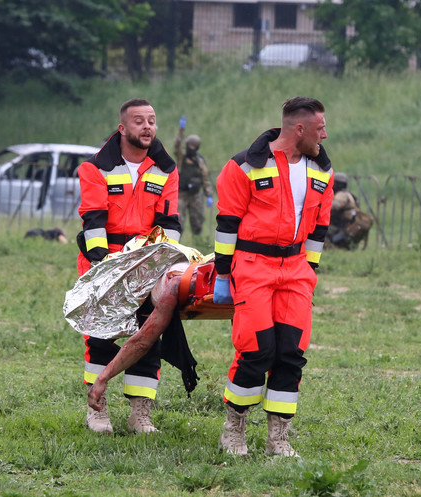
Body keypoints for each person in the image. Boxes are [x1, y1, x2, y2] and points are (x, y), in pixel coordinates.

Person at [212, 96, 334, 457]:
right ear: (300, 129)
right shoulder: (243, 166)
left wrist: (307, 273)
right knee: (256, 350)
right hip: (252, 267)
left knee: (291, 353)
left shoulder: (321, 171)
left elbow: (319, 229)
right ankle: (234, 430)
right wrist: (222, 274)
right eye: (320, 128)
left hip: (296, 271)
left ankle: (278, 438)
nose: (324, 135)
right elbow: (227, 225)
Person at [76, 98, 182, 434]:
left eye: (152, 120)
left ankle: (140, 414)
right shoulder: (95, 167)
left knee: (149, 336)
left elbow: (170, 223)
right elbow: (92, 220)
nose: (148, 126)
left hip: (147, 264)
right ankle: (98, 410)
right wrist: (103, 267)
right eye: (139, 121)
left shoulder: (166, 169)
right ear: (123, 128)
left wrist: (165, 263)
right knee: (102, 337)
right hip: (104, 262)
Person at [174, 116, 214, 236]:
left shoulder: (199, 161)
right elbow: (177, 145)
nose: (191, 148)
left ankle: (198, 242)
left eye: (194, 147)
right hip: (181, 195)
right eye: (190, 146)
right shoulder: (181, 158)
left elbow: (205, 178)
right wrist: (181, 131)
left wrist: (209, 195)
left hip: (195, 195)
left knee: (197, 221)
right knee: (178, 222)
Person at [326, 172, 359, 248]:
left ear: (338, 184)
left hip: (342, 225)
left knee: (323, 229)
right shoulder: (347, 193)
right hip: (345, 223)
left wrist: (322, 206)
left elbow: (335, 206)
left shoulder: (341, 195)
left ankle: (330, 247)